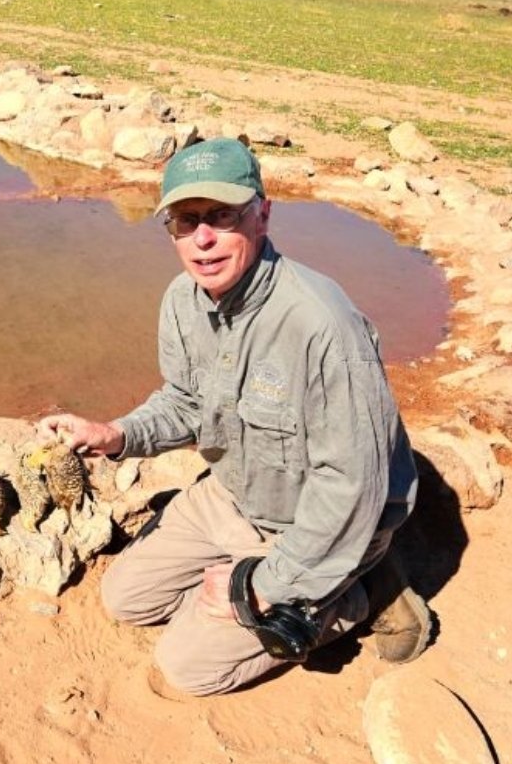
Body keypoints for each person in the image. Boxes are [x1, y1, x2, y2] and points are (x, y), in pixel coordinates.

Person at [38, 136, 432, 697]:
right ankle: (282, 573)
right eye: (184, 220)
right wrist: (115, 434)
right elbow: (187, 403)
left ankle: (360, 591)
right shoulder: (182, 300)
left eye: (222, 216)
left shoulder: (322, 328)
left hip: (318, 524)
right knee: (125, 599)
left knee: (187, 669)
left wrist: (266, 584)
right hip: (236, 495)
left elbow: (351, 487)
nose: (202, 239)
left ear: (262, 214)